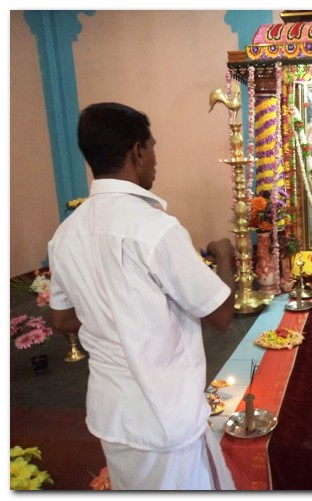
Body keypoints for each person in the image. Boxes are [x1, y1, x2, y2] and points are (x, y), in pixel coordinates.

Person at [47, 102, 236, 490]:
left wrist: (111, 304)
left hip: (112, 414)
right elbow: (220, 316)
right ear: (137, 152)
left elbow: (63, 319)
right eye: (152, 148)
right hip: (164, 414)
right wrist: (224, 256)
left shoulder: (66, 234)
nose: (155, 160)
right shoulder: (156, 230)